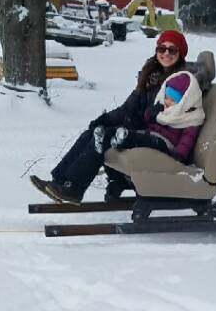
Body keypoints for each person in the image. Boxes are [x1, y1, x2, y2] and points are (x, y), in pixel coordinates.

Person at [30, 30, 204, 204]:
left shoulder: (182, 84)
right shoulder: (150, 75)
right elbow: (128, 108)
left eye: (172, 50)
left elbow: (170, 119)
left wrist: (141, 119)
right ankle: (59, 180)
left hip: (150, 135)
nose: (166, 53)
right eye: (162, 49)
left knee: (103, 136)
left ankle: (74, 188)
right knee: (92, 131)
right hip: (140, 128)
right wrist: (105, 119)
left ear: (180, 53)